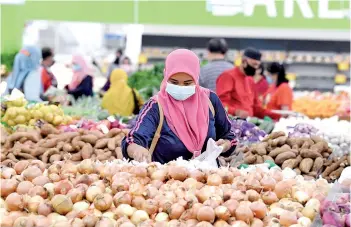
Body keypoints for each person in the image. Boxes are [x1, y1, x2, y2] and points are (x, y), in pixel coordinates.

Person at [121, 49, 237, 164]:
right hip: (167, 179)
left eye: (187, 83)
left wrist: (225, 145)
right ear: (166, 76)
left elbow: (230, 137)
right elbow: (133, 140)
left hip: (207, 178)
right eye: (174, 82)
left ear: (196, 78)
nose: (181, 87)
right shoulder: (156, 106)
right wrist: (137, 149)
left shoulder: (210, 100)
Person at [216, 47, 280, 120]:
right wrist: (236, 112)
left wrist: (278, 115)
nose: (256, 68)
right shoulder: (228, 76)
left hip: (249, 123)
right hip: (232, 124)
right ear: (244, 61)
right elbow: (220, 105)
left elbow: (257, 108)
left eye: (258, 65)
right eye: (254, 64)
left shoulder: (250, 80)